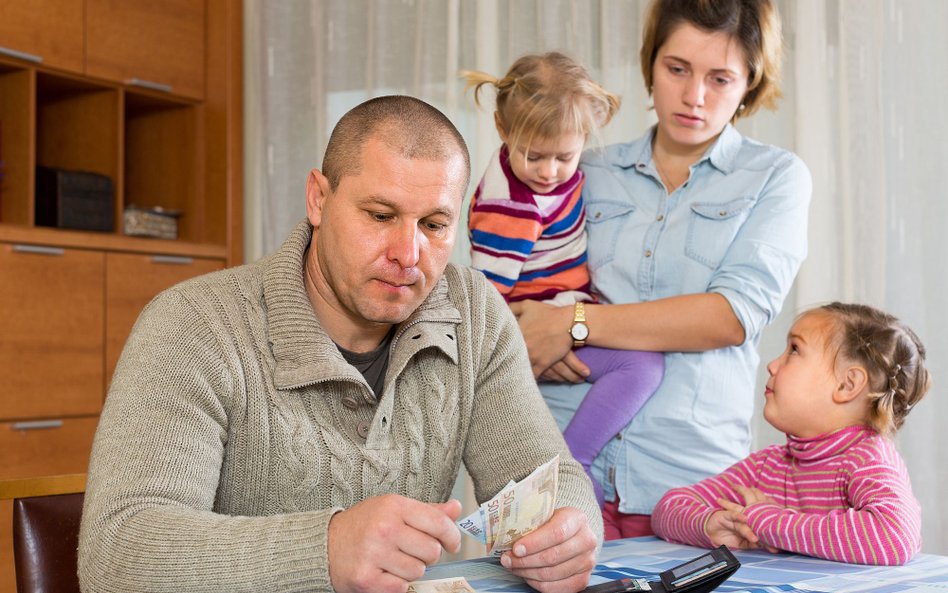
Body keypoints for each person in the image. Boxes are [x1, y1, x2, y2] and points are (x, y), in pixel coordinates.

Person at [77, 95, 601, 593]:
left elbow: (551, 478)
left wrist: (571, 534)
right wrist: (324, 550)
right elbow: (117, 555)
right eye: (380, 216)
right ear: (319, 199)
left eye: (434, 225)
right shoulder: (193, 325)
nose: (408, 253)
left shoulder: (475, 313)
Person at [511, 0, 812, 540]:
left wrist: (570, 325)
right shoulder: (585, 166)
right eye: (677, 69)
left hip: (688, 488)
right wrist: (529, 330)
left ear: (750, 82)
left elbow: (730, 316)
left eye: (720, 78)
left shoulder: (776, 178)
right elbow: (514, 272)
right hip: (551, 465)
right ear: (651, 63)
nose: (694, 97)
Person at [463, 52, 664, 506]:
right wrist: (521, 351)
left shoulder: (548, 174)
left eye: (565, 157)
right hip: (542, 319)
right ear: (501, 129)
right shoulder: (509, 208)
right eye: (535, 156)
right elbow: (486, 297)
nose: (550, 172)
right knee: (644, 365)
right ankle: (575, 459)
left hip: (564, 309)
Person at [651, 302, 931, 566]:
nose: (772, 365)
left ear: (847, 384)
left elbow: (894, 536)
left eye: (794, 350)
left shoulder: (867, 457)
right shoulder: (766, 466)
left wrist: (770, 522)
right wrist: (709, 524)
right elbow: (667, 508)